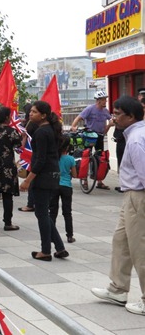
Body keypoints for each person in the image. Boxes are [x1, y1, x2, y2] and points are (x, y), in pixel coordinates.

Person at [91, 95, 145, 316]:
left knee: (140, 248)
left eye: (117, 114)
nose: (113, 118)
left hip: (139, 196)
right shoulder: (135, 134)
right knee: (121, 241)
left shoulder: (135, 140)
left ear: (131, 116)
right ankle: (118, 289)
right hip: (131, 195)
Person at [20, 100, 68, 261]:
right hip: (53, 174)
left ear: (43, 115)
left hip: (43, 177)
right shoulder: (50, 130)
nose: (30, 114)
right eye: (31, 111)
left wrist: (28, 180)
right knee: (44, 214)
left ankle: (45, 250)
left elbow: (39, 160)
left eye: (34, 112)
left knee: (42, 214)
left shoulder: (41, 132)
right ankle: (60, 248)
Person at [71, 90, 113, 190]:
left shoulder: (105, 111)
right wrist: (73, 126)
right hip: (89, 135)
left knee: (100, 157)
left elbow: (108, 124)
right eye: (104, 100)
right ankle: (84, 179)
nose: (105, 102)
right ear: (98, 101)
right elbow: (79, 117)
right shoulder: (90, 109)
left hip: (99, 136)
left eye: (105, 100)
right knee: (86, 156)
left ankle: (99, 181)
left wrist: (110, 125)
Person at [50, 135, 77, 244]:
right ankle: (69, 235)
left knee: (52, 211)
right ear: (67, 148)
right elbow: (75, 175)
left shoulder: (54, 158)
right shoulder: (70, 159)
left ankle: (52, 234)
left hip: (54, 185)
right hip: (66, 186)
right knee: (67, 212)